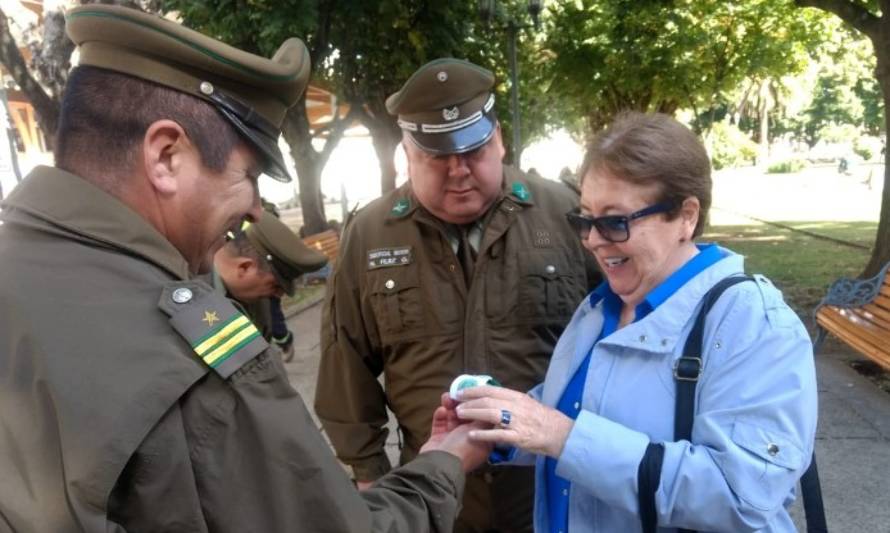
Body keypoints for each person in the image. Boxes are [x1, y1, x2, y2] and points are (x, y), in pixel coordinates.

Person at [0, 6, 492, 532]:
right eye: (249, 174)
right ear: (166, 157)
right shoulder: (191, 359)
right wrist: (444, 460)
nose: (255, 208)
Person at [453, 112, 818, 532]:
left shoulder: (753, 324)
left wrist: (562, 436)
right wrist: (497, 421)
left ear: (686, 216)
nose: (592, 239)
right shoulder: (601, 306)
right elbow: (574, 408)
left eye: (615, 221)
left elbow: (743, 498)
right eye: (585, 219)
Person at [315, 58, 600, 533]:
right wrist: (369, 474)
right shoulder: (371, 234)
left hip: (550, 488)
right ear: (406, 153)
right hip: (435, 491)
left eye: (475, 151)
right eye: (437, 157)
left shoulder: (564, 214)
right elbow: (345, 362)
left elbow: (621, 333)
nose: (460, 171)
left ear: (500, 138)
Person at [211, 210, 328, 360]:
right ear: (245, 268)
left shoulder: (259, 305)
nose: (278, 295)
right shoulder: (192, 303)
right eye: (275, 285)